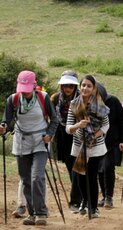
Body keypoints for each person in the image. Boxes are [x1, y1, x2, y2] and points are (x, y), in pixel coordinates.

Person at [0, 70, 59, 225]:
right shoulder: (12, 99)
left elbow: (55, 120)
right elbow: (6, 120)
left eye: (27, 90)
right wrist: (3, 127)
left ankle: (41, 213)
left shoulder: (43, 97)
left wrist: (49, 134)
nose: (25, 93)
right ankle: (32, 214)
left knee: (37, 176)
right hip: (21, 142)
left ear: (34, 85)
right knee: (26, 179)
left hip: (40, 141)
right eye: (22, 90)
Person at [66, 74, 110, 217]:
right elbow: (68, 128)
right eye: (83, 85)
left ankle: (93, 207)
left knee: (91, 176)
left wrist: (94, 136)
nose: (85, 88)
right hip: (79, 146)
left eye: (89, 86)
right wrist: (78, 125)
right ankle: (85, 200)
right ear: (80, 87)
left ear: (93, 88)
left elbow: (105, 125)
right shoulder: (74, 104)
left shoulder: (100, 105)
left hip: (96, 146)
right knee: (79, 177)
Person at [50, 70, 82, 213]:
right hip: (62, 134)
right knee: (70, 166)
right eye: (65, 85)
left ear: (75, 86)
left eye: (71, 85)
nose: (68, 88)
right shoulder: (55, 98)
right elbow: (51, 117)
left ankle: (75, 200)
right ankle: (79, 195)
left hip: (79, 133)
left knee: (77, 167)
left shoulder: (82, 97)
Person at [97, 83, 123, 208]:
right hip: (97, 142)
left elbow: (122, 122)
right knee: (100, 170)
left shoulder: (113, 101)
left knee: (108, 167)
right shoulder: (89, 103)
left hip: (112, 142)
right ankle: (104, 196)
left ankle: (109, 197)